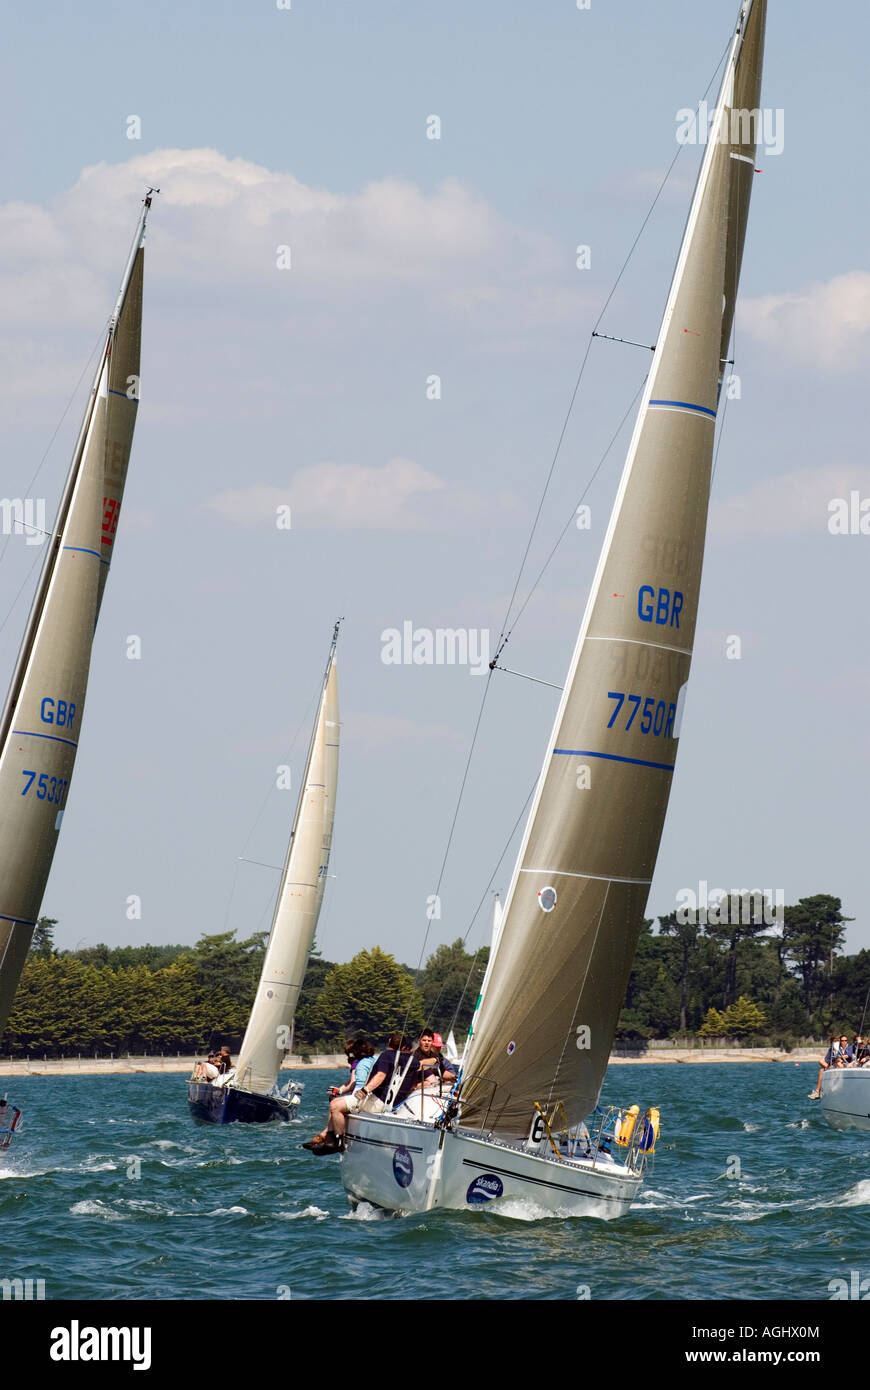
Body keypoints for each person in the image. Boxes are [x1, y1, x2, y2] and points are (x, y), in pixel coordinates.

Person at [303, 1039, 377, 1155]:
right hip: (370, 1095)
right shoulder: (373, 1060)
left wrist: (340, 1091)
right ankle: (326, 1135)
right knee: (336, 1102)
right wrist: (340, 1090)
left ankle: (331, 1138)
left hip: (361, 1096)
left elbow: (355, 1082)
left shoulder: (359, 1063)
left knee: (334, 1103)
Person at [809, 1033, 852, 1098]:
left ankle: (842, 1084)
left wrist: (840, 1058)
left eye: (845, 1040)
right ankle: (817, 1091)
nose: (844, 1042)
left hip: (846, 1065)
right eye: (842, 1041)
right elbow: (827, 1059)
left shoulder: (849, 1047)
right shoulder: (833, 1049)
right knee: (821, 1070)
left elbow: (849, 1055)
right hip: (834, 1065)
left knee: (839, 1064)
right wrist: (836, 1059)